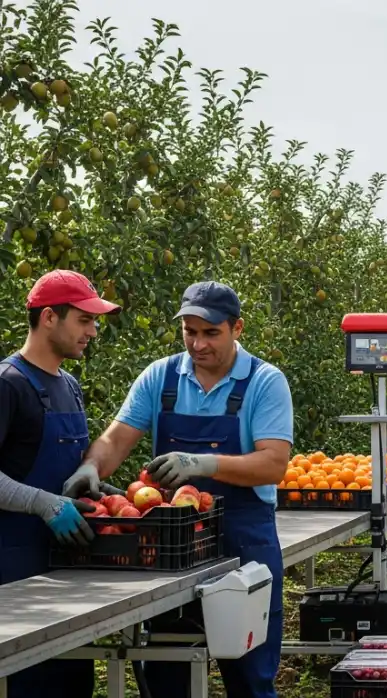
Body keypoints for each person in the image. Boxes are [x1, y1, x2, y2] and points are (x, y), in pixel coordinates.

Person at [66, 281, 293, 698]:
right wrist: (91, 467)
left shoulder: (264, 381)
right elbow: (117, 438)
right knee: (167, 671)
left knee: (250, 678)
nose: (197, 343)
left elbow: (274, 463)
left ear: (237, 328)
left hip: (243, 542)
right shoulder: (162, 376)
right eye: (190, 331)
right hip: (170, 543)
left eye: (210, 333)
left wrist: (203, 464)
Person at [0, 271, 119, 697]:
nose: (93, 331)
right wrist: (43, 504)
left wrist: (101, 492)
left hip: (68, 572)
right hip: (15, 577)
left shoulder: (69, 385)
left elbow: (67, 475)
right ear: (49, 317)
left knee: (70, 680)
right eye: (84, 320)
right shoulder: (8, 383)